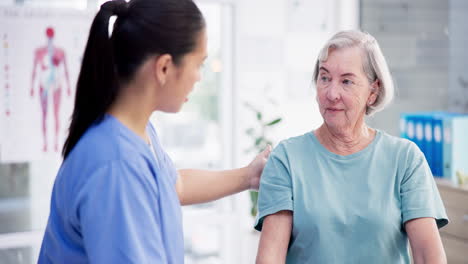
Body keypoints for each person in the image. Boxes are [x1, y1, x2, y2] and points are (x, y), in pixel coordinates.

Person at [38, 0, 270, 263]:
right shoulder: (116, 165)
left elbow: (174, 186)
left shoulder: (136, 133)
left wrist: (250, 176)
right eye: (198, 64)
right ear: (164, 68)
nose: (199, 77)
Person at [255, 30, 448, 264]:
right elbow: (270, 258)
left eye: (346, 81)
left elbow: (429, 257)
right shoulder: (286, 159)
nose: (331, 93)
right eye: (324, 78)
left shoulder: (405, 159)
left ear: (373, 92)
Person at [31, 27, 71, 152]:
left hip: (56, 84)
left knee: (55, 114)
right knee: (44, 115)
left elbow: (65, 70)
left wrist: (69, 86)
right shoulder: (39, 52)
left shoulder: (60, 52)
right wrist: (32, 86)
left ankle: (55, 143)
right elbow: (34, 69)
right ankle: (45, 143)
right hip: (44, 84)